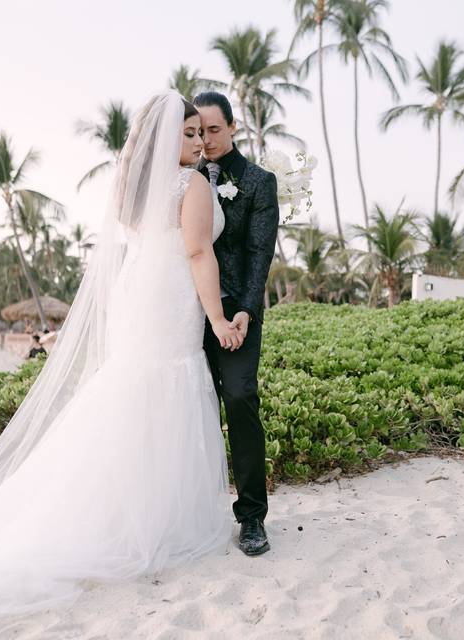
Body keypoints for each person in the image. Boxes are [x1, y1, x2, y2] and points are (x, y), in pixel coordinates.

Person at [0, 92, 243, 617]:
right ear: (165, 139)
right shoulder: (189, 185)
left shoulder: (136, 188)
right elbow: (196, 251)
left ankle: (125, 509)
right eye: (186, 134)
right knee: (165, 387)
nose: (195, 143)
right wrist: (216, 318)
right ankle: (148, 521)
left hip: (139, 296)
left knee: (134, 391)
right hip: (167, 300)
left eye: (197, 134)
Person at [194, 91, 279, 556]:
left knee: (241, 397)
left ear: (232, 127)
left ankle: (252, 517)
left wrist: (244, 311)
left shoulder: (258, 182)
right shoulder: (182, 178)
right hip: (188, 314)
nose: (205, 139)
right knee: (190, 405)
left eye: (214, 129)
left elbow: (258, 254)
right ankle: (193, 512)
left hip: (238, 313)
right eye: (198, 130)